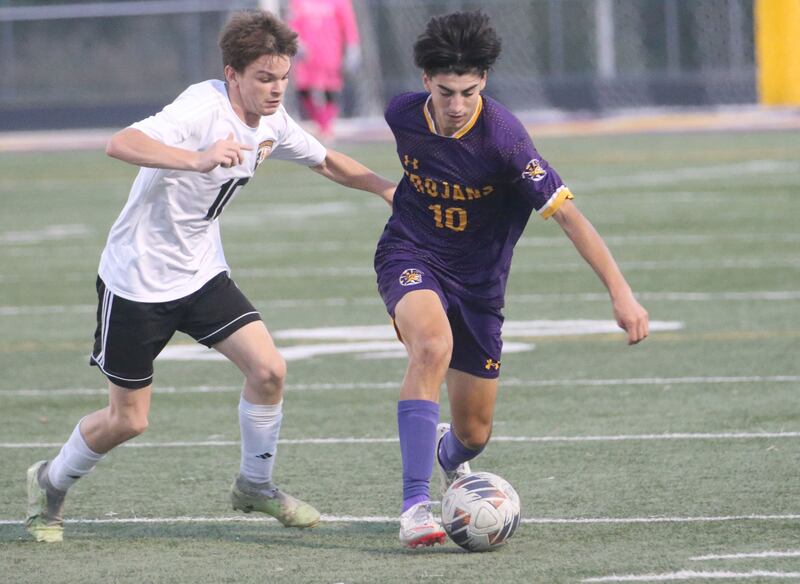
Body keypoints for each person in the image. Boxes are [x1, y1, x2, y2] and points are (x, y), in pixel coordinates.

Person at [25, 10, 395, 543]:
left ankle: (255, 485)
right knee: (128, 420)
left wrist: (387, 189)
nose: (276, 90)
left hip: (200, 274)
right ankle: (50, 483)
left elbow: (327, 161)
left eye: (283, 77)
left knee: (269, 371)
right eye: (264, 78)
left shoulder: (273, 120)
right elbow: (121, 143)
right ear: (232, 74)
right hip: (138, 280)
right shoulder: (201, 108)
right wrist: (196, 160)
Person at [373, 10, 650, 548]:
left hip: (480, 285)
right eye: (446, 91)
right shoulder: (400, 113)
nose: (456, 106)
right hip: (410, 253)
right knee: (431, 344)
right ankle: (414, 507)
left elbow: (569, 216)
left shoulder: (505, 140)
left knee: (473, 434)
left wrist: (622, 293)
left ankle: (442, 454)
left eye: (469, 93)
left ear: (485, 83)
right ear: (425, 79)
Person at [287, 0, 361, 140]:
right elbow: (292, 24)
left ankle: (326, 127)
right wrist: (296, 42)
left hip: (330, 53)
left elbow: (348, 24)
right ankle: (319, 123)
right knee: (304, 89)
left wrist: (352, 46)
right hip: (306, 56)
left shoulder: (341, 2)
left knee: (330, 90)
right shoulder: (298, 2)